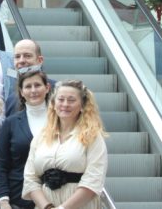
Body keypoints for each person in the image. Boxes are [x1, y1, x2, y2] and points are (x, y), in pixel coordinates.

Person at [22, 80, 109, 209]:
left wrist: (63, 208)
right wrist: (47, 207)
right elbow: (30, 178)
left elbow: (93, 179)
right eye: (61, 99)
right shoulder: (41, 137)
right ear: (53, 104)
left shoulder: (92, 137)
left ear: (82, 105)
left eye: (71, 100)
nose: (65, 104)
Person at [0, 69, 52, 209]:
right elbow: (0, 164)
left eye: (37, 85)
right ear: (21, 92)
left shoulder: (61, 120)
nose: (33, 90)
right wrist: (3, 200)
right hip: (19, 198)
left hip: (55, 196)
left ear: (47, 88)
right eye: (28, 86)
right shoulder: (10, 123)